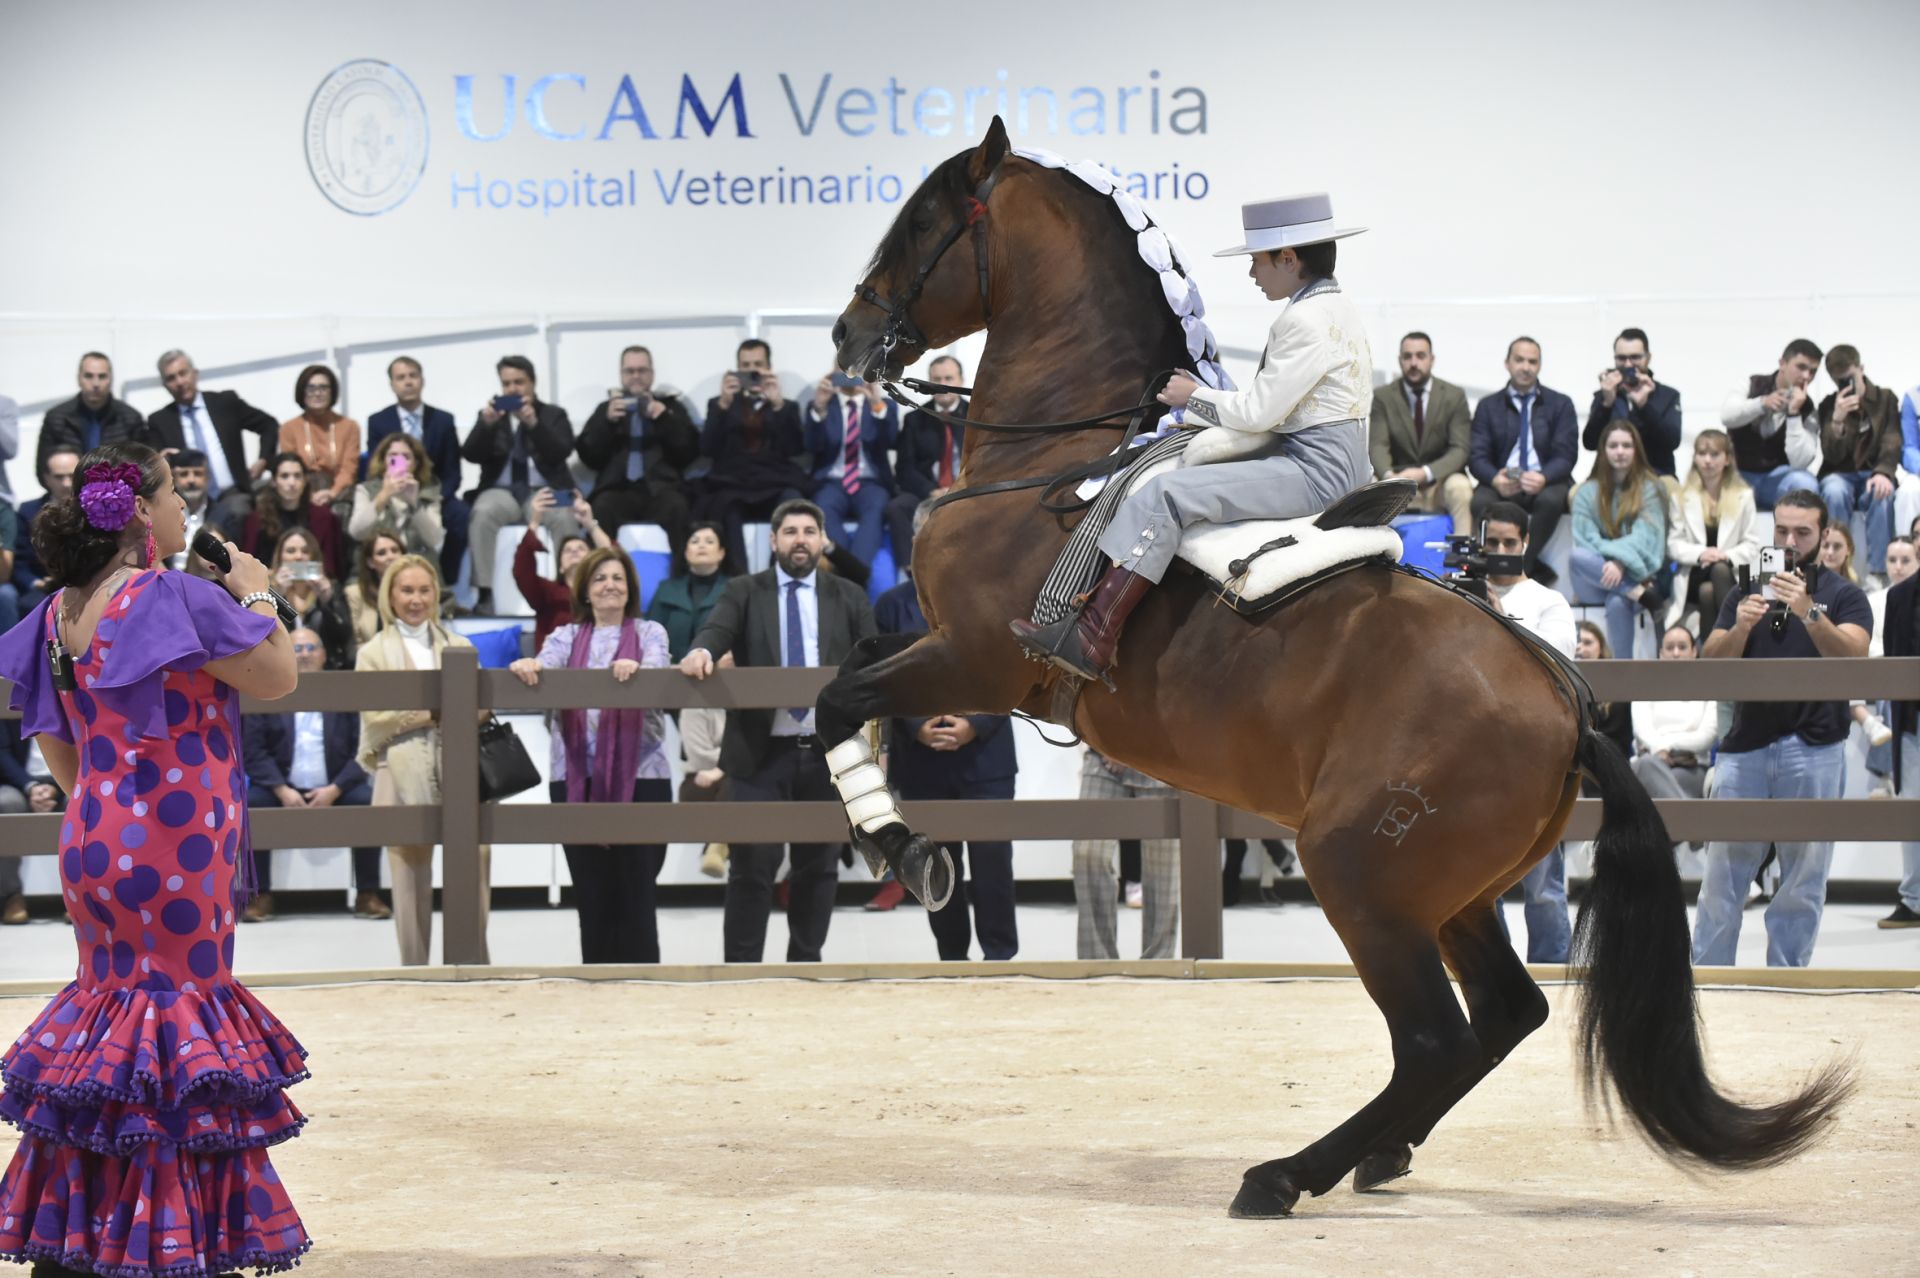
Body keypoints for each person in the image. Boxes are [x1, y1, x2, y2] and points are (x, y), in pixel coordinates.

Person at [0, 440, 311, 1274]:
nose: (183, 511)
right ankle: (166, 1241)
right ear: (140, 511)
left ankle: (77, 1240)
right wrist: (258, 592)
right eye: (174, 496)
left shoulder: (61, 613)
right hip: (177, 852)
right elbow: (279, 674)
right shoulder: (172, 595)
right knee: (173, 1030)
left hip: (95, 840)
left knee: (110, 1017)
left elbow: (63, 754)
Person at [1014, 194, 1374, 682]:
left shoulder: (1302, 319)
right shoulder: (1336, 305)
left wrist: (1193, 395)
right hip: (1329, 456)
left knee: (1166, 493)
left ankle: (1094, 636)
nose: (1252, 273)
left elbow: (1258, 411)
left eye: (1257, 261)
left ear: (1288, 259)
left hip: (1315, 470)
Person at [680, 499, 877, 963]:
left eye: (810, 531)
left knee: (818, 867)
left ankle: (806, 968)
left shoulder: (848, 594)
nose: (800, 540)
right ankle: (741, 971)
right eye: (790, 531)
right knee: (751, 864)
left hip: (829, 755)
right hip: (758, 753)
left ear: (822, 539)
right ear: (773, 541)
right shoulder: (744, 590)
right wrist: (702, 650)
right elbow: (716, 629)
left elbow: (872, 662)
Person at [1694, 489, 1872, 967]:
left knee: (1804, 877)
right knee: (1722, 876)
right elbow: (1708, 663)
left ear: (1825, 534)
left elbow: (1856, 658)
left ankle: (1788, 981)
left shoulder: (1844, 595)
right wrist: (1739, 630)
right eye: (1781, 531)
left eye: (1802, 532)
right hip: (1745, 746)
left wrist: (1809, 611)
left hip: (1815, 747)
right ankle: (1710, 982)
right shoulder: (1744, 590)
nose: (1790, 541)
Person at [509, 548, 672, 964]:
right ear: (584, 590)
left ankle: (642, 983)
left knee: (638, 890)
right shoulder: (564, 636)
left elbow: (656, 671)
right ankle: (596, 983)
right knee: (591, 890)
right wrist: (528, 665)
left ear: (630, 588)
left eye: (618, 577)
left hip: (643, 777)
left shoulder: (651, 632)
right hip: (575, 777)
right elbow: (544, 668)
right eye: (599, 578)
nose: (610, 585)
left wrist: (636, 669)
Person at [872, 500, 1019, 960]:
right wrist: (915, 726)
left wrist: (973, 724)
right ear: (916, 541)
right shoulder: (891, 605)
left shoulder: (998, 595)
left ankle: (1000, 959)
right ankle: (951, 959)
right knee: (936, 867)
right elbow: (881, 675)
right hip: (920, 758)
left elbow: (1015, 674)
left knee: (994, 866)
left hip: (987, 756)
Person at [355, 554, 492, 966]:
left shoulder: (460, 645)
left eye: (424, 590)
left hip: (460, 764)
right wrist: (434, 713)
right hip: (397, 768)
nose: (416, 599)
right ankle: (414, 967)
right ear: (390, 596)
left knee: (475, 858)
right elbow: (375, 720)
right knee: (408, 869)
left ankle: (472, 963)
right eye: (407, 590)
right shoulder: (373, 651)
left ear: (436, 594)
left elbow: (480, 707)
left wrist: (419, 714)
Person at [1477, 502, 1576, 962]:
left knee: (1543, 884)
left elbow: (1557, 665)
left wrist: (1498, 619)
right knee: (1477, 885)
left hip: (1536, 760)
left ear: (1525, 544)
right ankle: (1494, 973)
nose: (1500, 551)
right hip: (1476, 757)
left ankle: (1554, 972)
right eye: (1492, 542)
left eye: (1509, 543)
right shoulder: (1457, 601)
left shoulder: (1548, 602)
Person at [242, 627, 390, 923]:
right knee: (251, 805)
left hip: (337, 786)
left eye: (312, 648)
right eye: (297, 649)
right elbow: (253, 750)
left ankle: (367, 894)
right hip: (280, 787)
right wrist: (281, 789)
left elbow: (363, 749)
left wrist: (335, 789)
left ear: (324, 654)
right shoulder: (265, 691)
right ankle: (259, 896)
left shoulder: (343, 694)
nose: (305, 654)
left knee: (366, 803)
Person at [461, 355, 579, 614]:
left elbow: (561, 452)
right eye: (506, 384)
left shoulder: (553, 414)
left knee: (563, 517)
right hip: (501, 491)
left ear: (532, 383)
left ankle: (571, 590)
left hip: (542, 489)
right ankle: (484, 593)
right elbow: (470, 453)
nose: (512, 389)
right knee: (482, 513)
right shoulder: (493, 417)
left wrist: (534, 425)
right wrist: (486, 425)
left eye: (519, 382)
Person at [1467, 337, 1580, 584]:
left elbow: (1567, 454)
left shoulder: (1561, 404)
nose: (1526, 367)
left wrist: (1545, 477)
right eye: (1519, 360)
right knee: (1480, 501)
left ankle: (1520, 567)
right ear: (1507, 363)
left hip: (1546, 480)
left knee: (1552, 499)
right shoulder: (1488, 406)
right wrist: (1495, 479)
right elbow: (1476, 455)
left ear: (1539, 366)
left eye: (1532, 361)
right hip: (1502, 479)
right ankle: (1490, 563)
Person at [693, 339, 811, 571]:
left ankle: (777, 573)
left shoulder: (786, 406)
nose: (752, 371)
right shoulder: (720, 404)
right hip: (733, 482)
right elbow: (707, 449)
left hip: (774, 480)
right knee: (724, 508)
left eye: (758, 364)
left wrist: (777, 406)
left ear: (769, 367)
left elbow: (795, 449)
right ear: (736, 370)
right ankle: (738, 579)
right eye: (745, 366)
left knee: (792, 502)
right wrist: (724, 405)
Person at [648, 523, 731, 851]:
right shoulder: (667, 589)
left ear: (722, 552)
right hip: (676, 687)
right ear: (685, 552)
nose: (701, 545)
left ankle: (720, 831)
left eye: (710, 540)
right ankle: (719, 826)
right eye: (694, 540)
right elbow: (652, 636)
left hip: (726, 687)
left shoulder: (736, 589)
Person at [575, 344, 699, 550]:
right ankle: (598, 575)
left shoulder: (670, 407)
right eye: (629, 371)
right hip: (618, 490)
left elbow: (688, 452)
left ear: (652, 374)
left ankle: (680, 577)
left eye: (642, 371)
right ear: (621, 375)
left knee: (679, 507)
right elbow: (589, 457)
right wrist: (606, 423)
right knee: (601, 508)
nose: (636, 376)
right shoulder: (606, 408)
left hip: (661, 488)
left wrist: (663, 419)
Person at [364, 355, 469, 588]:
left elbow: (453, 471)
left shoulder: (443, 420)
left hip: (434, 492)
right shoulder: (378, 421)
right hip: (392, 491)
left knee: (460, 515)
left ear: (422, 380)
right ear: (392, 385)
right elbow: (374, 468)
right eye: (401, 377)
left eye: (413, 376)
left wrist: (433, 499)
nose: (408, 382)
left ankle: (446, 582)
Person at [143, 348, 278, 527]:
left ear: (195, 374)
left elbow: (268, 425)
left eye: (183, 373)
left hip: (232, 494)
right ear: (165, 385)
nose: (179, 382)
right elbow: (152, 461)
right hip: (187, 501)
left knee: (238, 513)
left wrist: (263, 459)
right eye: (171, 378)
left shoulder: (224, 403)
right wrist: (162, 459)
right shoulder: (160, 420)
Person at [1570, 421, 1668, 661]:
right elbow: (1586, 540)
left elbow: (1646, 537)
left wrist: (1620, 562)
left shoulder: (1651, 488)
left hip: (1634, 574)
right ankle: (1638, 593)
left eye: (1626, 445)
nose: (1620, 451)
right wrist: (1615, 559)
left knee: (1617, 601)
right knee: (1577, 557)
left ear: (1637, 450)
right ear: (1603, 450)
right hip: (1595, 581)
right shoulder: (1586, 492)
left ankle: (1622, 680)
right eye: (1613, 445)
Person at [1072, 751, 1179, 960]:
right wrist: (1109, 746)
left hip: (1161, 760)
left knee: (1164, 867)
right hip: (1103, 758)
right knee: (1087, 851)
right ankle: (1097, 962)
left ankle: (1159, 963)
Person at [1631, 624, 1718, 872]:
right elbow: (1642, 730)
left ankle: (1645, 876)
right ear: (1660, 653)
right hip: (1651, 764)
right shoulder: (1645, 686)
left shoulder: (1708, 688)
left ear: (1694, 652)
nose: (1676, 653)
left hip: (1691, 769)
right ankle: (1691, 828)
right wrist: (1659, 750)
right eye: (1669, 648)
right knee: (1646, 765)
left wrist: (1665, 745)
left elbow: (1706, 736)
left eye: (1682, 647)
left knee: (1649, 799)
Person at [1369, 331, 1474, 536]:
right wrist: (1390, 477)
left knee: (1460, 488)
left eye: (1420, 356)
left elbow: (1460, 449)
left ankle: (1462, 561)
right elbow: (1377, 445)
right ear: (1400, 360)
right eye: (1407, 357)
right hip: (1397, 481)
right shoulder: (1383, 397)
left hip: (1439, 482)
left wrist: (1425, 473)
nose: (1413, 363)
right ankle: (1373, 558)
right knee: (1370, 485)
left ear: (1431, 359)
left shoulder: (1454, 396)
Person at [1815, 345, 1901, 578]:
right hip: (1840, 474)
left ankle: (1878, 573)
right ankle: (1835, 571)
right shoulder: (1828, 406)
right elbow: (1830, 455)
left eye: (1849, 378)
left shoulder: (1885, 399)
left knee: (1882, 494)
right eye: (1839, 382)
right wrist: (1837, 422)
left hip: (1874, 472)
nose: (1845, 386)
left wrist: (1884, 472)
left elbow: (1892, 440)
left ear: (1860, 369)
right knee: (1833, 491)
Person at [1667, 430, 1761, 642]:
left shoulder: (1744, 496)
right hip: (1694, 571)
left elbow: (1752, 544)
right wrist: (1702, 554)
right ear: (1695, 457)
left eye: (1714, 454)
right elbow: (1674, 544)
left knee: (1709, 591)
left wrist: (1725, 556)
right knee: (1713, 575)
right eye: (1702, 453)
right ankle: (1741, 637)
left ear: (1727, 458)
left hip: (1728, 573)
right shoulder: (1680, 497)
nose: (1707, 460)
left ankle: (1713, 656)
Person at [805, 371, 899, 569]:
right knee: (822, 508)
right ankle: (853, 572)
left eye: (856, 370)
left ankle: (850, 574)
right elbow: (812, 446)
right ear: (832, 374)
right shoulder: (823, 405)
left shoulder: (884, 405)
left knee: (876, 510)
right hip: (832, 482)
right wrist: (820, 408)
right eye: (845, 370)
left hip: (870, 482)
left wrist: (876, 405)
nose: (850, 375)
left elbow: (889, 442)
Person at [1719, 338, 1823, 510]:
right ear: (1783, 363)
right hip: (1739, 476)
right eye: (1801, 367)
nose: (1806, 377)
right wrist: (1761, 404)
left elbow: (1800, 462)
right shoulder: (1751, 384)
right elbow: (1727, 416)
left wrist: (1794, 415)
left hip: (1776, 480)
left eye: (1812, 371)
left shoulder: (1808, 409)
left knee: (1805, 483)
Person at [886, 355, 969, 567]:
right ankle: (909, 571)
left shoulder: (979, 415)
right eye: (936, 378)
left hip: (969, 491)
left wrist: (959, 488)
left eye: (949, 378)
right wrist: (932, 490)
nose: (943, 384)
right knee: (898, 507)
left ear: (961, 380)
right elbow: (904, 468)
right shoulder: (915, 419)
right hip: (927, 493)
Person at [512, 488, 614, 652]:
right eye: (567, 550)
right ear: (560, 565)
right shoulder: (547, 592)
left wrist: (589, 523)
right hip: (554, 671)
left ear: (591, 560)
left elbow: (616, 561)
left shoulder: (604, 590)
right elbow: (522, 571)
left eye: (581, 548)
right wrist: (535, 521)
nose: (574, 551)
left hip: (595, 667)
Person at [1584, 327, 1683, 479]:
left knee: (1670, 490)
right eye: (1621, 358)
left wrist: (1644, 407)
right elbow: (1589, 443)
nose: (1628, 364)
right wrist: (1606, 405)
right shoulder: (1605, 394)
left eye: (1635, 357)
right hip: (1611, 478)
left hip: (1656, 474)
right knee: (1575, 494)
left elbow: (1672, 441)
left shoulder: (1667, 395)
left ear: (1648, 358)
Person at [1880, 558, 1919, 928]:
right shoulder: (1900, 595)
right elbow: (1892, 660)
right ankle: (1915, 899)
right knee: (1911, 810)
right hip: (1913, 719)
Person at [241, 452, 348, 579]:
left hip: (313, 586)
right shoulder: (257, 520)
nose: (292, 482)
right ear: (274, 482)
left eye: (297, 476)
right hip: (270, 586)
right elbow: (247, 567)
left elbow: (332, 568)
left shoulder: (324, 518)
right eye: (284, 476)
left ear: (304, 481)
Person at [5, 445, 79, 622]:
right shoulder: (28, 512)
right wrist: (37, 582)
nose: (66, 483)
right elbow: (20, 562)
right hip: (43, 587)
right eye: (59, 477)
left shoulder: (96, 509)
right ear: (46, 478)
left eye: (71, 475)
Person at [36, 351, 145, 469]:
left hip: (116, 486)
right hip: (69, 485)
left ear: (111, 380)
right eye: (88, 376)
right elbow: (44, 468)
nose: (95, 383)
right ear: (78, 379)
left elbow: (141, 466)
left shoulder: (131, 418)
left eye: (102, 376)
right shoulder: (56, 418)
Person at [349, 432, 446, 562]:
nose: (399, 461)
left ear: (415, 463)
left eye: (406, 456)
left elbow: (434, 540)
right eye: (393, 456)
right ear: (384, 460)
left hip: (416, 564)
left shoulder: (429, 492)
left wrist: (415, 504)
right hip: (377, 567)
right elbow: (357, 532)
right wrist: (383, 496)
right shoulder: (365, 490)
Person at [277, 363, 360, 513]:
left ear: (332, 392)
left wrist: (332, 493)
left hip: (340, 492)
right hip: (302, 492)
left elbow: (349, 468)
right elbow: (291, 468)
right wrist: (309, 496)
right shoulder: (289, 428)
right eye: (311, 388)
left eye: (323, 388)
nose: (317, 393)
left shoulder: (349, 426)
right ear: (302, 392)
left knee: (340, 511)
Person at [271, 526, 355, 671]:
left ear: (314, 557)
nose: (298, 556)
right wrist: (277, 595)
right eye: (291, 551)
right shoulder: (268, 590)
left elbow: (345, 638)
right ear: (280, 557)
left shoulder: (331, 588)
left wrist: (328, 601)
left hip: (326, 670)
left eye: (305, 551)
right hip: (279, 669)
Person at [346, 531, 405, 649]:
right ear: (370, 562)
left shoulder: (416, 591)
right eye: (382, 553)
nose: (390, 557)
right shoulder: (355, 593)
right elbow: (354, 643)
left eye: (395, 550)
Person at [163, 448, 219, 572]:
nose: (191, 480)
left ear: (208, 477)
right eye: (184, 474)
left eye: (198, 473)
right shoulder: (163, 514)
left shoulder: (223, 515)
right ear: (174, 478)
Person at [0, 717, 31, 925]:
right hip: (19, 782)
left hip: (65, 776)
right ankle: (12, 895)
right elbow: (2, 751)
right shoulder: (10, 693)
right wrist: (30, 785)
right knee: (6, 802)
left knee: (81, 800)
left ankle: (74, 897)